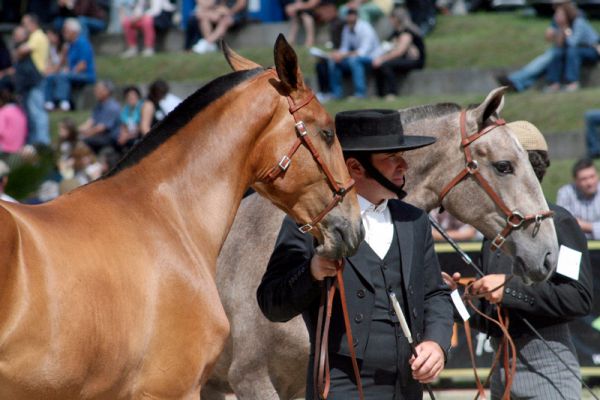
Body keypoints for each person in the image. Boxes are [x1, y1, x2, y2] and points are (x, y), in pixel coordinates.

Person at [257, 109, 453, 399]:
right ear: (355, 167)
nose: (403, 165)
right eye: (391, 158)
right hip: (339, 385)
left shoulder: (415, 220)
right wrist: (310, 272)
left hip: (406, 385)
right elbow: (272, 304)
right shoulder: (311, 222)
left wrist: (436, 344)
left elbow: (435, 294)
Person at [444, 120, 593, 400]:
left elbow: (579, 298)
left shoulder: (559, 222)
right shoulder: (494, 233)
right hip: (502, 381)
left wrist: (508, 289)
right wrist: (455, 298)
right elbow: (491, 322)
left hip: (550, 377)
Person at [496, 1, 592, 93]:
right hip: (567, 49)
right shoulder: (557, 18)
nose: (554, 8)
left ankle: (516, 81)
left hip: (587, 48)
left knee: (551, 56)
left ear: (566, 6)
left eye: (557, 5)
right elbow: (552, 39)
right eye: (554, 5)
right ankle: (517, 83)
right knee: (551, 54)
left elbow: (573, 43)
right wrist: (558, 29)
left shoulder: (578, 19)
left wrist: (564, 27)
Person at [327, 8, 382, 99]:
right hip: (356, 56)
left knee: (354, 61)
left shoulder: (366, 28)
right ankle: (336, 94)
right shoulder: (347, 28)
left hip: (372, 57)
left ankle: (360, 94)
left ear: (356, 16)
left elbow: (363, 52)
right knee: (334, 61)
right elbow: (344, 47)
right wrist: (337, 54)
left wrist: (343, 55)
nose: (350, 19)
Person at [544, 0, 598, 92]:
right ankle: (554, 83)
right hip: (576, 49)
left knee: (572, 51)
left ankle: (572, 82)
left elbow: (573, 42)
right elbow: (559, 44)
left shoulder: (579, 21)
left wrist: (565, 28)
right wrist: (561, 29)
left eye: (560, 14)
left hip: (592, 49)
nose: (557, 17)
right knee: (558, 51)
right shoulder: (562, 24)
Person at [371, 7, 425, 100]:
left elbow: (399, 52)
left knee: (385, 65)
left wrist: (382, 59)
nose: (390, 20)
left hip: (415, 61)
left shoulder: (407, 32)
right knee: (378, 65)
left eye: (391, 18)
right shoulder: (396, 32)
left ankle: (392, 93)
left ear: (397, 19)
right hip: (404, 59)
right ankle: (379, 94)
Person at [44, 18, 96, 112]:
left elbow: (82, 65)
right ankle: (49, 103)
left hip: (85, 74)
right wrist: (63, 56)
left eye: (66, 30)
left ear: (74, 31)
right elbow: (64, 64)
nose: (64, 33)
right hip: (73, 73)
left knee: (63, 76)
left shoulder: (82, 43)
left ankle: (63, 102)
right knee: (51, 77)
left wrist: (69, 72)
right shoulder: (69, 45)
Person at [17, 14, 50, 146]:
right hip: (34, 78)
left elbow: (22, 51)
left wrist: (18, 49)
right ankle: (37, 140)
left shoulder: (37, 36)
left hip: (36, 78)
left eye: (25, 24)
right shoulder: (35, 37)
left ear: (32, 24)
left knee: (37, 110)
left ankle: (42, 141)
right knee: (33, 110)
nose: (23, 27)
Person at [556, 158, 600, 239]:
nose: (589, 182)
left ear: (597, 175)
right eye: (584, 179)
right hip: (575, 244)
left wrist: (586, 227)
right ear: (575, 180)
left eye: (592, 176)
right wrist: (595, 228)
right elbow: (565, 223)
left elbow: (572, 223)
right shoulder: (565, 193)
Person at [78, 80, 121, 153]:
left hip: (109, 137)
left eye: (98, 89)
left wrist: (87, 133)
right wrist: (78, 130)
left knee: (83, 141)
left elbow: (102, 128)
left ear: (107, 91)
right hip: (99, 135)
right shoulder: (98, 106)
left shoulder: (112, 107)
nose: (95, 92)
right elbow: (91, 121)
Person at [0, 86, 27, 154]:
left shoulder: (3, 113)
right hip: (19, 146)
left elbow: (1, 131)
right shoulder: (19, 111)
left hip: (6, 147)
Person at [117, 85, 142, 150]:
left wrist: (127, 136)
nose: (131, 98)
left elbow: (141, 127)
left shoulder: (142, 107)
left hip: (138, 136)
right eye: (129, 97)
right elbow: (123, 125)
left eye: (133, 96)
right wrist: (123, 135)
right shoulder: (125, 109)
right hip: (128, 135)